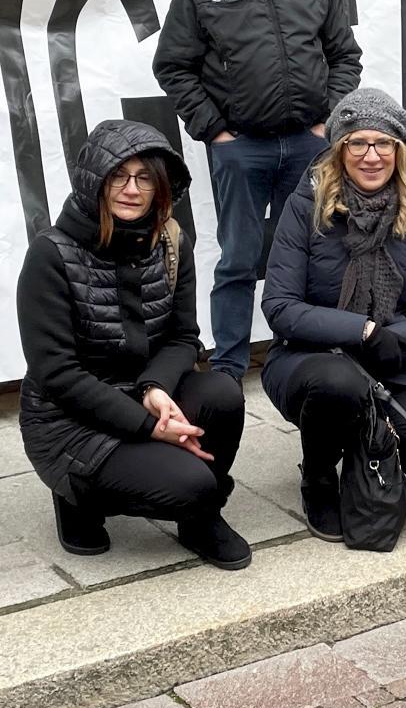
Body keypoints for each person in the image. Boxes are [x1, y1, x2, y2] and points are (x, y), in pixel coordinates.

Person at [153, 0, 363, 379]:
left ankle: (307, 348)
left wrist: (324, 124)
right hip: (240, 149)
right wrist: (216, 132)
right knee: (239, 259)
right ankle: (228, 364)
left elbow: (345, 57)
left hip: (308, 149)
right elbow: (173, 66)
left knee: (315, 253)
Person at [16, 120, 250, 567]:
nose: (131, 188)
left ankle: (199, 519)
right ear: (96, 181)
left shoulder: (169, 240)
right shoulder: (51, 252)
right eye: (118, 176)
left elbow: (184, 336)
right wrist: (150, 427)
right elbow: (56, 373)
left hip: (141, 392)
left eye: (145, 177)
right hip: (69, 420)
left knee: (222, 392)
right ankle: (75, 497)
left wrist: (155, 388)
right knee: (193, 483)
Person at [261, 88, 406, 539]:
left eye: (383, 144)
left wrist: (399, 338)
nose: (371, 156)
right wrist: (364, 329)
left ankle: (365, 440)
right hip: (308, 360)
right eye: (358, 143)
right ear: (339, 150)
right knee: (339, 384)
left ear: (400, 150)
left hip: (389, 360)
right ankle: (318, 474)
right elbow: (280, 306)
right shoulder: (306, 206)